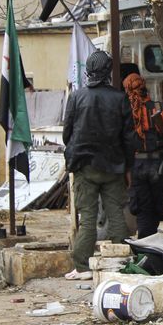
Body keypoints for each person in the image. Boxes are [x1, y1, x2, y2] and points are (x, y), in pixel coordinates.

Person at [62, 51, 136, 280]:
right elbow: (129, 138)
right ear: (108, 71)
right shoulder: (120, 98)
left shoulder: (77, 97)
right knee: (116, 215)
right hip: (113, 166)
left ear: (88, 71)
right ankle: (119, 263)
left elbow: (67, 133)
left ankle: (82, 267)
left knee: (88, 219)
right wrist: (127, 166)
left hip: (84, 166)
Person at [122, 73, 163, 239]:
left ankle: (146, 244)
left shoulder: (126, 113)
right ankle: (149, 241)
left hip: (136, 167)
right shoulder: (161, 108)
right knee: (156, 208)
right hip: (158, 166)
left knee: (142, 209)